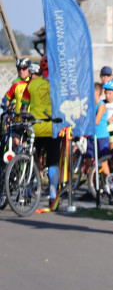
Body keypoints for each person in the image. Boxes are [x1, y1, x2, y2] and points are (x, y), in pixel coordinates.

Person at [22, 58, 61, 208]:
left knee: (31, 160)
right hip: (52, 128)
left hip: (34, 128)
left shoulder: (31, 85)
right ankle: (53, 197)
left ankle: (26, 194)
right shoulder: (57, 86)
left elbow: (23, 109)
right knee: (52, 162)